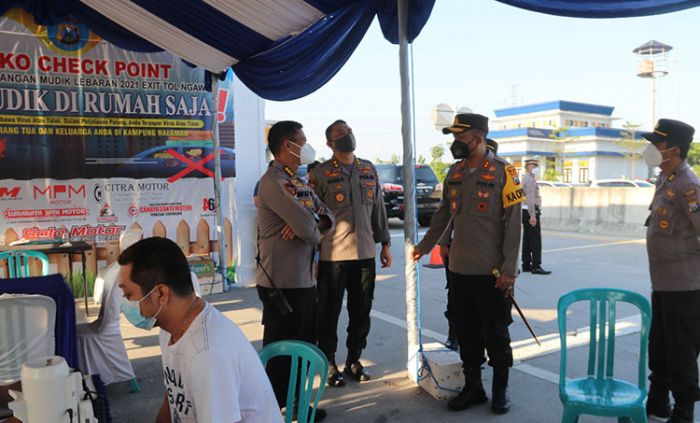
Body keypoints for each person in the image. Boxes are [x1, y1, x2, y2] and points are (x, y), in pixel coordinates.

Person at [412, 113, 523, 414]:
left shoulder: (505, 171)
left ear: (478, 137)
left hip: (492, 273)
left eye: (460, 137)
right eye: (454, 137)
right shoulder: (455, 172)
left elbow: (514, 225)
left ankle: (500, 391)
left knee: (496, 333)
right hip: (459, 270)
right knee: (466, 332)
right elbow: (442, 216)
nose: (455, 143)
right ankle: (474, 387)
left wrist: (510, 270)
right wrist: (423, 246)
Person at [117, 237, 282, 423]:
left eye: (128, 294)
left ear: (161, 294)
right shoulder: (168, 327)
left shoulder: (207, 353)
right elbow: (172, 395)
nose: (124, 303)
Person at [256, 120, 334, 421]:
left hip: (304, 279)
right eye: (302, 139)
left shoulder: (296, 181)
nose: (306, 144)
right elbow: (311, 230)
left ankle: (299, 406)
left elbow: (328, 215)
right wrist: (310, 224)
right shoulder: (272, 182)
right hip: (282, 283)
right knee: (280, 355)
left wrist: (311, 222)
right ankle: (271, 412)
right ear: (287, 145)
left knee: (304, 346)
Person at [308, 119, 392, 387]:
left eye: (349, 131)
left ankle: (354, 359)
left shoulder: (368, 168)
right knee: (328, 313)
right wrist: (313, 258)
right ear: (329, 143)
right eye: (339, 133)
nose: (346, 135)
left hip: (365, 253)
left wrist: (386, 243)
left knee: (361, 311)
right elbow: (310, 217)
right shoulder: (320, 174)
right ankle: (330, 363)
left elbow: (378, 208)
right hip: (333, 256)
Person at [643, 118, 700, 423]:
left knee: (682, 351)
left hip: (686, 286)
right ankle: (658, 400)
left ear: (673, 150)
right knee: (660, 345)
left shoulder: (689, 185)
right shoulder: (665, 180)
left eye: (657, 144)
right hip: (663, 283)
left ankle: (684, 410)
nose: (650, 149)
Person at [521, 158, 551, 275]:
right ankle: (536, 266)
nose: (537, 167)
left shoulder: (527, 177)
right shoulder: (530, 179)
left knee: (527, 238)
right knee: (535, 239)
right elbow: (530, 198)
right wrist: (532, 215)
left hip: (525, 210)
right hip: (530, 211)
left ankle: (526, 264)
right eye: (535, 165)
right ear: (529, 166)